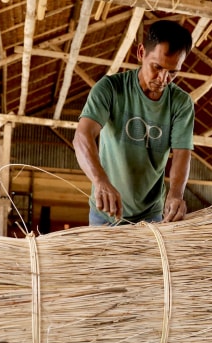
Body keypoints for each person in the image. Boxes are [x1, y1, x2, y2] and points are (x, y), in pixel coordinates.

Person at [73, 20, 194, 225]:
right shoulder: (111, 88)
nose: (163, 79)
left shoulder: (181, 103)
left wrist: (176, 194)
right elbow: (82, 137)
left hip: (150, 215)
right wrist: (100, 181)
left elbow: (182, 153)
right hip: (104, 214)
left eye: (173, 72)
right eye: (157, 67)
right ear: (141, 53)